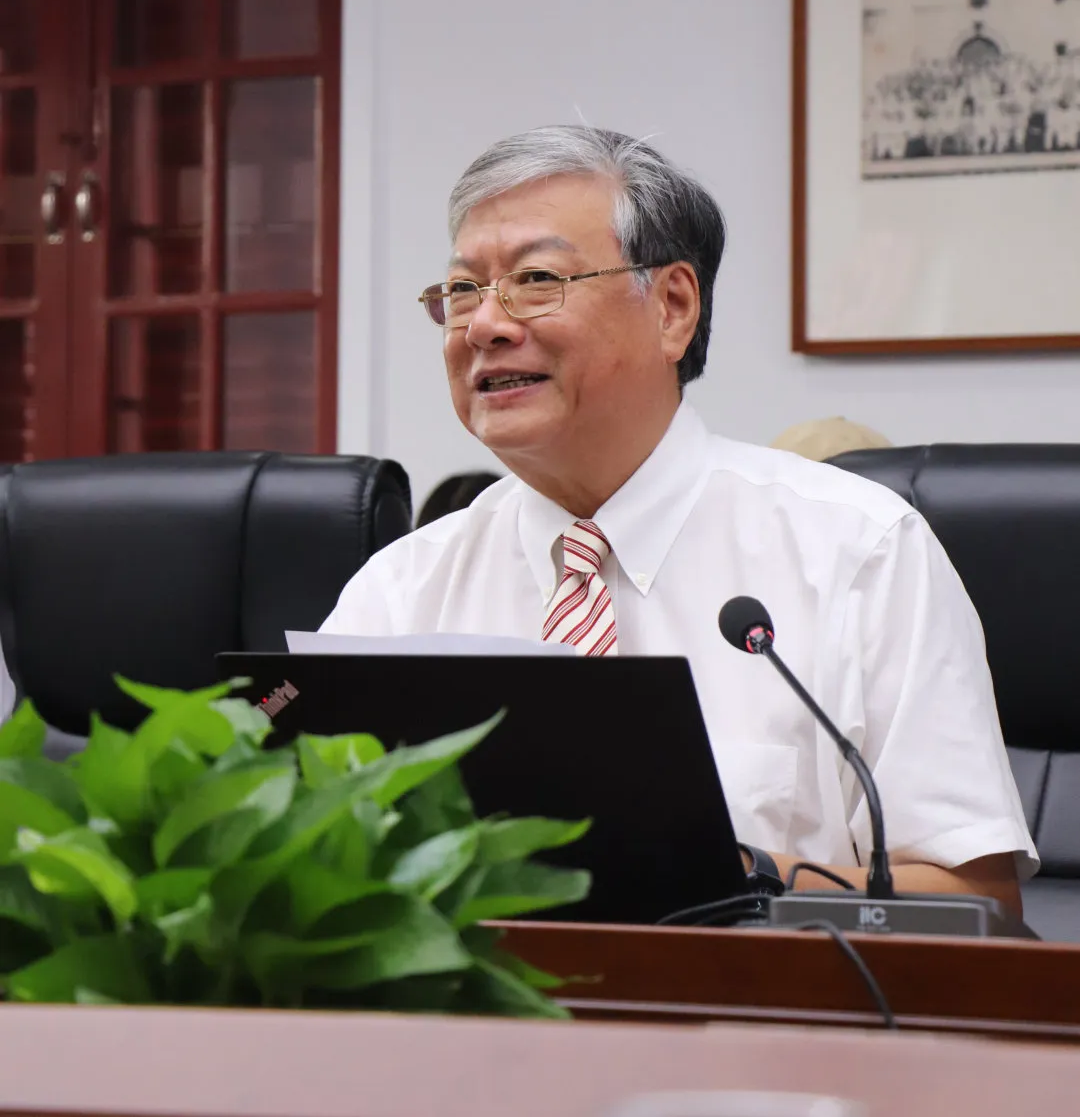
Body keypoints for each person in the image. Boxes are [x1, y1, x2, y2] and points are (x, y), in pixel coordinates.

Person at [322, 124, 1035, 911]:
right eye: (462, 291)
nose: (484, 326)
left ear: (671, 308)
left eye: (535, 280)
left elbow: (973, 904)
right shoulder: (400, 594)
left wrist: (733, 871)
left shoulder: (861, 553)